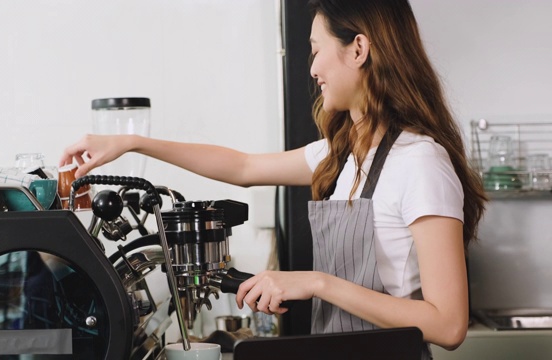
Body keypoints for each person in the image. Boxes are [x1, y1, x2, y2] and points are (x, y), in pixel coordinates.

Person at [60, 0, 486, 357]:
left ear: (359, 49)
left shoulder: (420, 162)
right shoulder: (343, 155)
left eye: (317, 50)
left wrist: (317, 283)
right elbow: (243, 168)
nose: (314, 67)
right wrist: (133, 143)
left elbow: (448, 325)